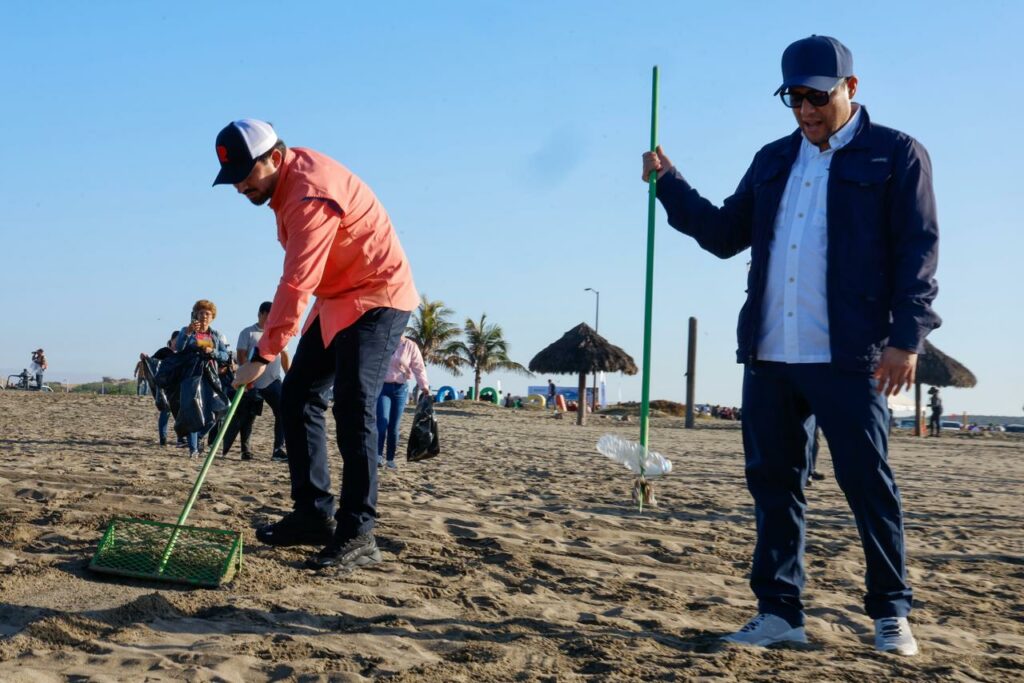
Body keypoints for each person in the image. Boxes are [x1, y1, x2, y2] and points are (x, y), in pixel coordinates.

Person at [642, 36, 940, 656]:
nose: (805, 110)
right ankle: (779, 613)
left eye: (817, 96)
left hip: (852, 356)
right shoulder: (773, 159)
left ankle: (891, 614)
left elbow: (919, 251)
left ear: (850, 90)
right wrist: (669, 184)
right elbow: (725, 235)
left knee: (868, 484)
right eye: (793, 97)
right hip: (772, 354)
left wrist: (906, 339)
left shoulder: (896, 155)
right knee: (774, 487)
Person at [218, 119, 419, 572]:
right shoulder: (284, 181)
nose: (239, 187)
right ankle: (313, 514)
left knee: (353, 406)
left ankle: (359, 534)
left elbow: (297, 281)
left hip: (377, 295)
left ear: (275, 157)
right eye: (232, 180)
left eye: (245, 175)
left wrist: (263, 355)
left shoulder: (310, 192)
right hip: (337, 300)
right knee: (299, 394)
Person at [223, 301, 290, 461]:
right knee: (247, 416)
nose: (272, 318)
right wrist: (246, 379)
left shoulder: (276, 333)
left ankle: (278, 450)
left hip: (273, 381)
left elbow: (285, 356)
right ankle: (245, 450)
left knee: (283, 411)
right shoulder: (248, 332)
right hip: (252, 382)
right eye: (269, 315)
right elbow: (241, 356)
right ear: (261, 314)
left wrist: (291, 375)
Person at [177, 300, 230, 457]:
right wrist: (187, 333)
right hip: (191, 375)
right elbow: (179, 348)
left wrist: (212, 351)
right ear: (195, 314)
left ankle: (199, 436)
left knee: (220, 408)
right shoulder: (187, 330)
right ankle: (193, 449)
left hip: (210, 375)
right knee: (194, 411)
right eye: (201, 313)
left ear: (212, 316)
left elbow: (225, 355)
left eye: (207, 313)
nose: (204, 316)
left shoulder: (217, 335)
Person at [377, 335, 429, 470]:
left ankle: (390, 459)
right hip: (382, 387)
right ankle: (377, 456)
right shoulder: (382, 340)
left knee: (394, 427)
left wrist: (424, 386)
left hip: (400, 389)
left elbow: (419, 367)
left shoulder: (410, 345)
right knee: (382, 421)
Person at [146, 331, 179, 446]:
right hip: (164, 387)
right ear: (172, 340)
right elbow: (151, 362)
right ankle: (163, 439)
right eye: (177, 339)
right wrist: (145, 358)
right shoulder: (164, 351)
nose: (178, 342)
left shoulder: (182, 353)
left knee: (179, 413)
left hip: (177, 387)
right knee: (165, 411)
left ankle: (181, 438)